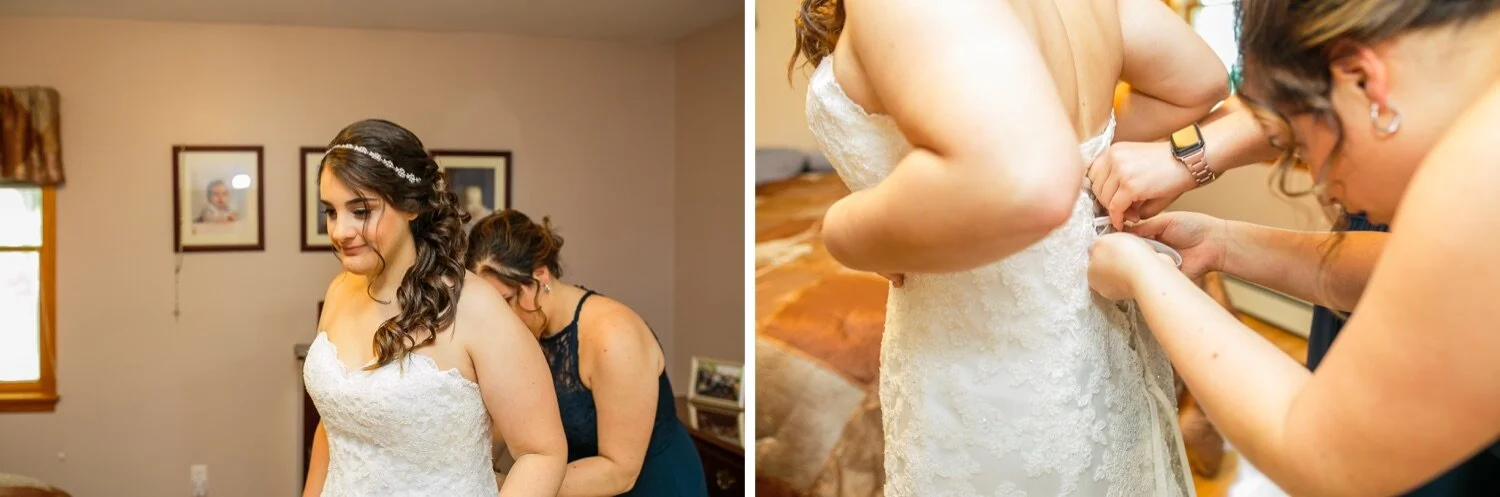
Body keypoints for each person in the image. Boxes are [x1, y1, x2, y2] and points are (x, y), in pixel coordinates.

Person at [789, 0, 1228, 494]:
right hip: (1095, 343)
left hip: (983, 370)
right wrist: (1081, 155)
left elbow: (1024, 179)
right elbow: (1201, 81)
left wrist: (844, 232)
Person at [1086, 1, 1500, 494]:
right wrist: (1221, 243)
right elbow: (1414, 277)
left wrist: (1147, 276)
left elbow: (1328, 456)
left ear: (1364, 81)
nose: (1321, 184)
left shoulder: (1480, 173)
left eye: (1299, 146)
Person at [301, 119, 567, 496]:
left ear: (410, 206)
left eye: (360, 211)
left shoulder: (477, 309)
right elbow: (335, 425)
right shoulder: (340, 291)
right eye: (331, 211)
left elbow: (541, 453)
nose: (340, 231)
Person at [467, 210, 709, 497]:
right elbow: (506, 418)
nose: (499, 318)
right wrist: (471, 470)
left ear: (540, 277)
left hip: (654, 485)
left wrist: (512, 484)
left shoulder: (614, 335)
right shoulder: (524, 331)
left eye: (506, 301)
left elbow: (619, 471)